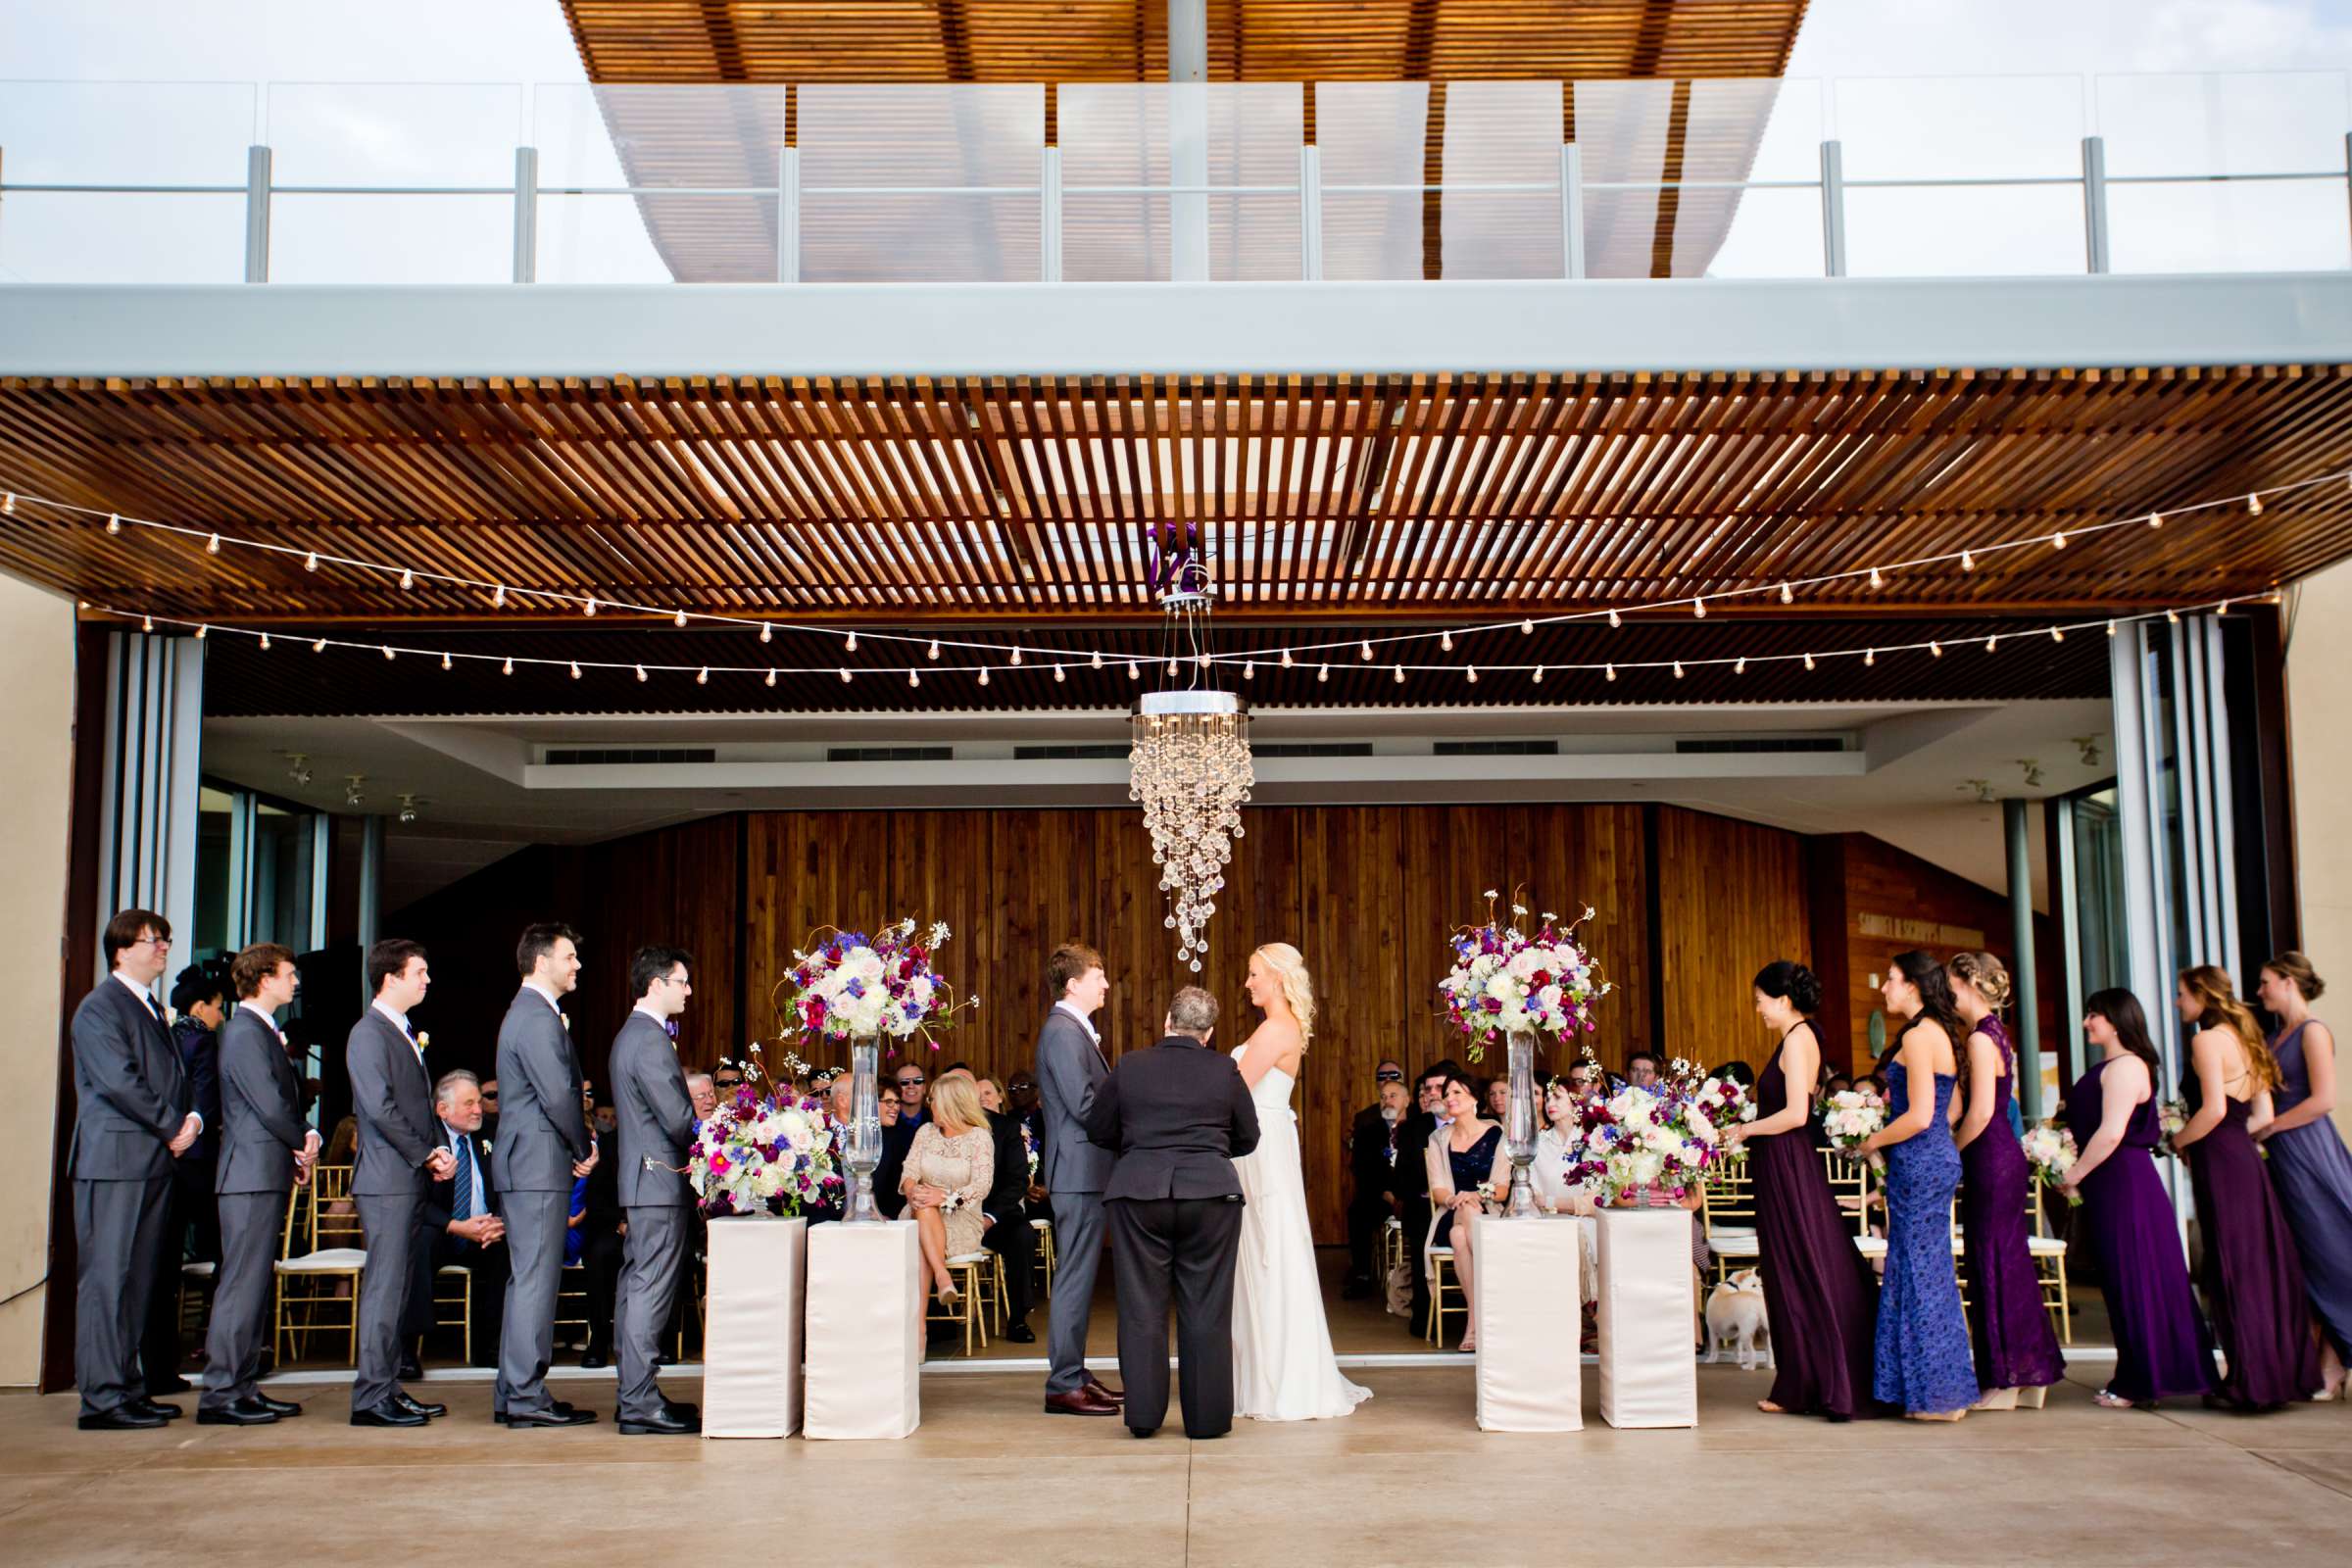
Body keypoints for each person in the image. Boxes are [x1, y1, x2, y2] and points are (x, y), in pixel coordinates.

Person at [1084, 985, 1260, 1440]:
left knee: (1141, 1305)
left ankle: (1143, 1417)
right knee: (1207, 1308)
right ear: (1209, 1032)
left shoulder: (1131, 1065)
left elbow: (1099, 1127)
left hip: (1139, 1193)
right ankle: (1205, 1421)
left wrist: (1141, 1149)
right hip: (1211, 1195)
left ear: (1167, 1021)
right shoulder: (1225, 1069)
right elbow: (1248, 1136)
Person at [1719, 961, 1883, 1419]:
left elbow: (1795, 1113)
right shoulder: (1800, 1036)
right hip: (1782, 1162)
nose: (1758, 1010)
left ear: (1782, 999)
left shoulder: (1797, 1038)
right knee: (1793, 1264)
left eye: (1760, 1000)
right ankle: (1805, 1378)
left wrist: (1744, 1130)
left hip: (1787, 1161)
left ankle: (1809, 1382)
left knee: (1798, 1265)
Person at [1229, 944, 1372, 1421]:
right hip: (1262, 1138)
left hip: (1260, 1143)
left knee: (1268, 1249)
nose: (1248, 983)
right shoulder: (1278, 1026)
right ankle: (1264, 1366)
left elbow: (1232, 1089)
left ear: (1276, 977)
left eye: (1253, 975)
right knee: (1265, 1246)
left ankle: (1278, 1376)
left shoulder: (1275, 1029)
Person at [70, 909, 199, 1430]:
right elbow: (120, 1081)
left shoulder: (148, 1007)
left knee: (139, 1281)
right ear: (121, 950)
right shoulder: (100, 1008)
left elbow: (168, 1077)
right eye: (154, 941)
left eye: (167, 940)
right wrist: (174, 1124)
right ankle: (102, 1399)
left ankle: (128, 1388)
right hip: (116, 1161)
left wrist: (188, 1117)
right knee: (109, 1279)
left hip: (150, 1161)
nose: (165, 948)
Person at [2058, 988, 2217, 1408]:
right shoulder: (2114, 1066)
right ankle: (2139, 1372)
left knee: (2135, 1280)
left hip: (2125, 1185)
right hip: (2111, 1183)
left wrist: (2074, 1173)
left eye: (2094, 1015)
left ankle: (2140, 1381)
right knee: (2122, 1281)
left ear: (2116, 1020)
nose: (2087, 1022)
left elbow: (2111, 1133)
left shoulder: (2127, 1067)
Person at [2174, 964, 2322, 1409]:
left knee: (2231, 1265)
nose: (2179, 1002)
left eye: (2182, 994)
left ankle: (2248, 1381)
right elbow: (2263, 1117)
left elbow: (2214, 1109)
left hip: (2219, 1161)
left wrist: (2178, 1139)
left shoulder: (2206, 1040)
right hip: (2245, 1161)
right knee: (2255, 1265)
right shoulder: (2246, 1038)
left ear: (2201, 995)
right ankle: (2270, 1376)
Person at [196, 943, 317, 1426]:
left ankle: (242, 1386)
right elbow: (268, 1104)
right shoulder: (245, 1030)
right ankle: (221, 1392)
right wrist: (304, 1136)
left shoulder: (257, 1029)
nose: (295, 982)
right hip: (247, 1174)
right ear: (264, 979)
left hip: (261, 1171)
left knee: (252, 1285)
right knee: (241, 1285)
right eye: (288, 974)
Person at [1859, 951, 1979, 1420]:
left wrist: (1872, 1139)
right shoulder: (1941, 1034)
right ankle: (1932, 1390)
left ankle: (1936, 1396)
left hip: (1919, 1160)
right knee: (1923, 1270)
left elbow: (1920, 1115)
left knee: (1918, 1273)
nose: (1884, 989)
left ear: (1912, 986)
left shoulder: (1917, 1036)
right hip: (1935, 1157)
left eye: (1890, 980)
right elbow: (1950, 1111)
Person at [494, 921, 600, 1427]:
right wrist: (582, 1145)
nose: (576, 964)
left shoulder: (534, 1013)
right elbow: (559, 1093)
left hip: (530, 1163)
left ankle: (511, 1391)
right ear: (541, 963)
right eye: (569, 956)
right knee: (536, 1281)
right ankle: (525, 1396)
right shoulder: (536, 1016)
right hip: (537, 1163)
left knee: (528, 1281)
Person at [1947, 951, 2065, 1409]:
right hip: (2001, 1156)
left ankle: (2006, 1378)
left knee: (1993, 1264)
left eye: (1952, 985)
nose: (1949, 994)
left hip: (1989, 1156)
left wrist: (1951, 1151)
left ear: (1970, 985)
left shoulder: (1980, 1037)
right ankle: (2026, 1370)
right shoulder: (1997, 1034)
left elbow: (1980, 1112)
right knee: (2006, 1262)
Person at [343, 937, 452, 1428]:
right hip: (386, 1180)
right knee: (385, 1289)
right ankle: (370, 1397)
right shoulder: (368, 1033)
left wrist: (438, 1150)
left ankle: (387, 1386)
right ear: (391, 978)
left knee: (400, 1286)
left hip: (405, 1177)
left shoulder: (403, 1031)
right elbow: (379, 1108)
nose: (427, 980)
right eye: (420, 972)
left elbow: (414, 1104)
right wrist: (425, 1152)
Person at [609, 945, 702, 1435]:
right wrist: (724, 1140)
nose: (688, 990)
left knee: (637, 1287)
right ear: (655, 984)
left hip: (648, 1180)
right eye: (681, 981)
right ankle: (639, 1401)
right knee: (649, 1288)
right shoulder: (646, 1039)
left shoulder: (640, 1035)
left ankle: (637, 1392)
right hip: (658, 1178)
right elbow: (676, 1118)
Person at [2254, 952, 2352, 1400]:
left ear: (2289, 982)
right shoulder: (2277, 1036)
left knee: (2329, 1251)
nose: (2260, 991)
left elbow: (2324, 1099)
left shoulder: (2313, 1032)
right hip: (2281, 1155)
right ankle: (2327, 1365)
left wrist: (2271, 1127)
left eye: (2266, 982)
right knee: (2306, 1258)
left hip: (2308, 1152)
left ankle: (2333, 1365)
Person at [1035, 940, 1123, 1417]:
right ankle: (1063, 1382)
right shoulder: (1065, 1033)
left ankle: (1076, 1374)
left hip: (1084, 1171)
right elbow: (1086, 1107)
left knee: (1081, 1277)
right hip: (1079, 1172)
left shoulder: (1074, 1030)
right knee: (1074, 1279)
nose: (1106, 983)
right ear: (1073, 984)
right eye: (1098, 976)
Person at [419, 1069, 507, 1368]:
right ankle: (409, 1348)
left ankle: (491, 1349)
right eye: (469, 1103)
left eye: (479, 1102)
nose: (478, 1110)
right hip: (442, 1229)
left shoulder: (493, 1132)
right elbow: (416, 1201)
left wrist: (499, 1221)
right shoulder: (424, 1138)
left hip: (484, 1229)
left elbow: (512, 1182)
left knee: (507, 1249)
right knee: (420, 1244)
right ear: (443, 1109)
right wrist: (456, 1226)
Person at [948, 1067, 1037, 1343]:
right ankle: (939, 1321)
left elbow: (1017, 1180)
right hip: (951, 1214)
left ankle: (1018, 1319)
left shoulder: (1005, 1127)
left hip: (995, 1215)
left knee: (1022, 1234)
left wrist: (990, 1216)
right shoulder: (941, 1126)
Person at [901, 1072, 996, 1315]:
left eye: (934, 1099)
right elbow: (909, 1170)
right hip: (918, 1209)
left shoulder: (979, 1137)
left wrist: (944, 1197)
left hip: (960, 1218)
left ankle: (919, 1329)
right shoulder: (925, 1132)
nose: (929, 1104)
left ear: (951, 1103)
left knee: (924, 1220)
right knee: (923, 1210)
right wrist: (913, 1191)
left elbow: (982, 1185)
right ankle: (942, 1276)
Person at [1425, 1070, 1502, 1352]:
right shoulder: (1438, 1138)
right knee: (1463, 1217)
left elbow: (1502, 1188)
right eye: (1447, 1094)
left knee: (1460, 1237)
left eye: (1457, 1092)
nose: (1449, 1098)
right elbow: (1438, 1190)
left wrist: (1477, 1194)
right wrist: (1458, 1199)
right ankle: (1492, 1309)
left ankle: (1474, 1322)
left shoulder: (1496, 1133)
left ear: (1474, 1098)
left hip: (1491, 1211)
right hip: (1452, 1211)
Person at [1345, 1069, 1410, 1299]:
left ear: (1406, 1100)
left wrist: (1403, 1195)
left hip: (1410, 1196)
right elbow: (1363, 1169)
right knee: (1357, 1211)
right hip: (1380, 1196)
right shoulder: (1368, 1132)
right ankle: (1362, 1274)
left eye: (1393, 1096)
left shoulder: (1417, 1129)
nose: (1387, 1101)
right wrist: (1386, 1193)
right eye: (1383, 1097)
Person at [894, 1061, 929, 1128]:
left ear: (924, 1088)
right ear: (895, 1088)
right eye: (904, 1082)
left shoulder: (935, 1119)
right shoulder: (886, 1119)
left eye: (917, 1081)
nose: (911, 1086)